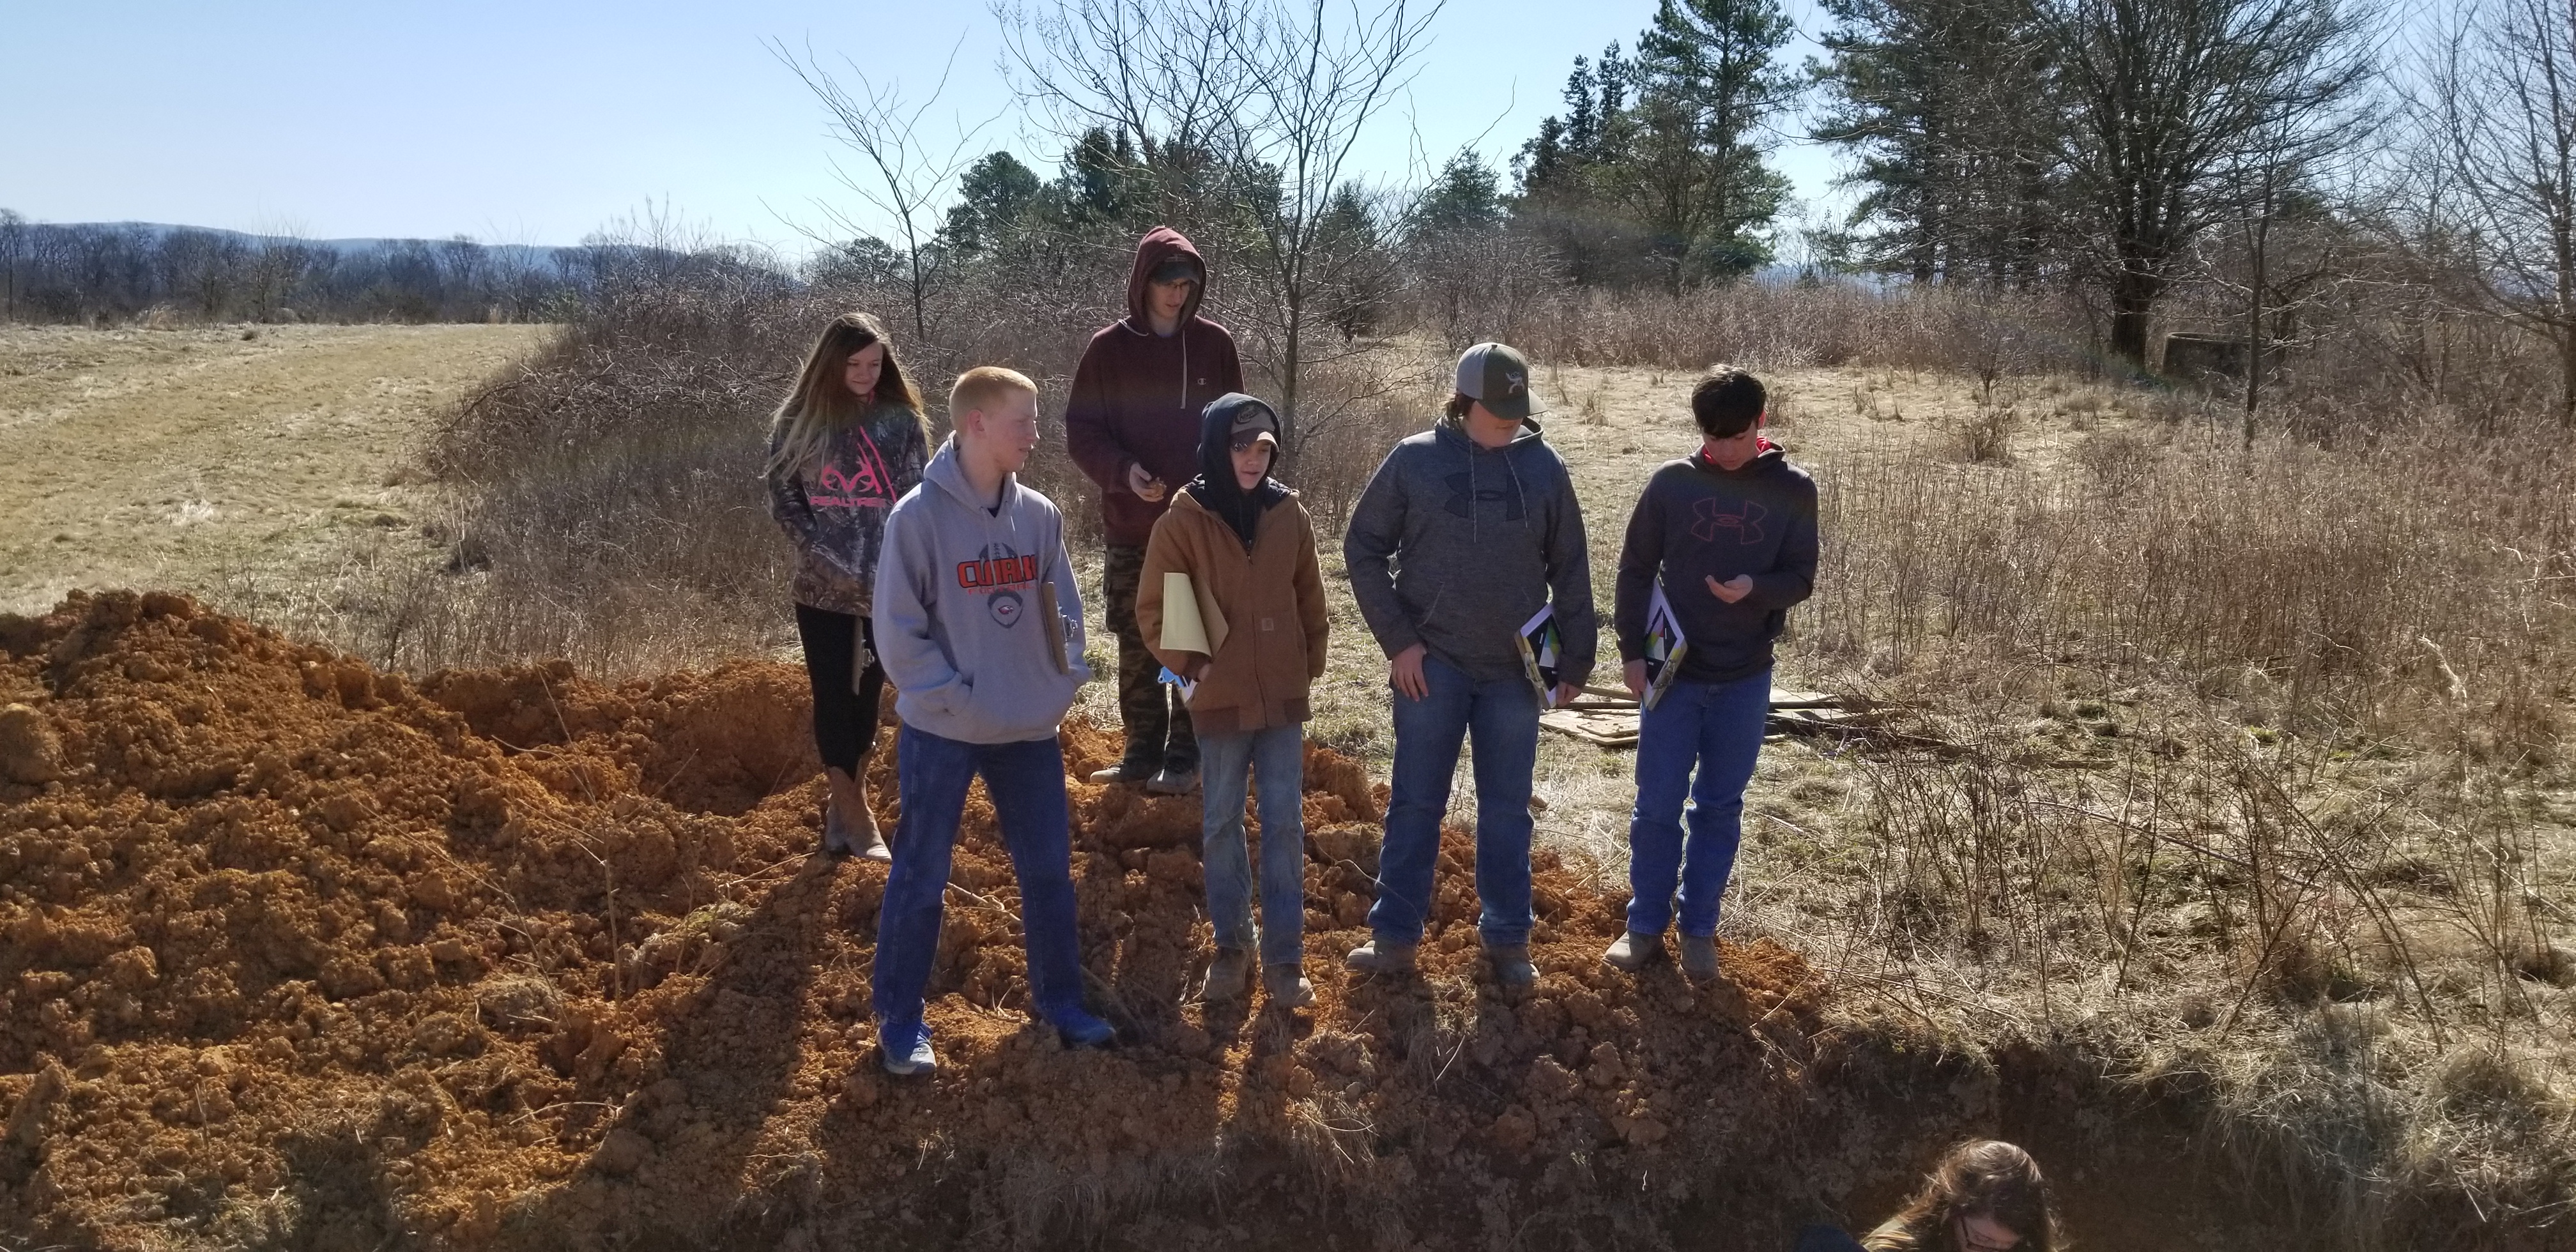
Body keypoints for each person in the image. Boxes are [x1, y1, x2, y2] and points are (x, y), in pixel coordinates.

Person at [868, 366, 1115, 1075]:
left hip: (1028, 733)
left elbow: (1063, 613)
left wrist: (1061, 683)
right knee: (921, 873)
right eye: (1024, 422)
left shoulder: (1039, 516)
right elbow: (898, 632)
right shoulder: (916, 518)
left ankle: (1062, 1004)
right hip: (943, 731)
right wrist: (956, 696)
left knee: (1047, 874)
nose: (1036, 435)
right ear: (976, 423)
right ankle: (900, 1022)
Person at [1342, 342, 1597, 991]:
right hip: (1435, 665)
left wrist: (1576, 656)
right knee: (1415, 803)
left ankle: (1508, 938)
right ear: (1463, 401)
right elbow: (1363, 546)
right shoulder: (1415, 461)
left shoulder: (1546, 469)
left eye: (1517, 408)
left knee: (1508, 810)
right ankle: (1395, 937)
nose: (1510, 420)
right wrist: (1399, 641)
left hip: (1515, 671)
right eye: (1497, 409)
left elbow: (1570, 567)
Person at [1602, 366, 1818, 981]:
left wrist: (1755, 588)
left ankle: (1700, 929)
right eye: (1711, 437)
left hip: (1746, 675)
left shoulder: (1794, 489)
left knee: (1719, 806)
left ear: (1762, 421)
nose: (1721, 449)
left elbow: (1801, 577)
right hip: (1673, 676)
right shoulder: (1672, 483)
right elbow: (1635, 570)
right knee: (1655, 804)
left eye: (1734, 436)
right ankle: (1644, 925)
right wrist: (1631, 653)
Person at [1137, 393, 1330, 1009]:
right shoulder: (1183, 521)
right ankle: (1231, 947)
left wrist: (1305, 667)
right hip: (1218, 702)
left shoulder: (1288, 515)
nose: (1253, 459)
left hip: (1281, 701)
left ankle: (1285, 959)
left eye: (1265, 449)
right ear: (1219, 446)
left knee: (1284, 827)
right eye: (1242, 446)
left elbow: (1311, 600)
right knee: (1221, 824)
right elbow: (1156, 610)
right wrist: (1194, 672)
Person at [1065, 227, 1246, 797]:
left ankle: (1186, 755)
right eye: (1167, 281)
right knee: (1137, 639)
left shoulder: (1215, 345)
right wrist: (1124, 473)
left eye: (1187, 282)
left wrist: (1222, 491)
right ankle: (1140, 753)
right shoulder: (1108, 349)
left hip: (1198, 526)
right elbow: (1081, 430)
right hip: (1131, 524)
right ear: (1143, 282)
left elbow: (1238, 426)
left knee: (1189, 636)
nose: (1177, 293)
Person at [765, 312, 931, 862]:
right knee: (833, 693)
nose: (863, 373)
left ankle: (845, 810)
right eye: (853, 364)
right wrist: (822, 553)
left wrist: (905, 567)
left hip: (887, 587)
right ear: (831, 363)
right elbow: (785, 502)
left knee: (870, 697)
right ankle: (859, 822)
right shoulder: (799, 421)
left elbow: (916, 502)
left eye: (873, 364)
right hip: (821, 590)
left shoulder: (901, 422)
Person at [1860, 1140, 2064, 1251]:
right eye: (1981, 1242)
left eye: (2008, 1247)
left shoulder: (2030, 1247)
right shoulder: (1891, 1249)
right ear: (1952, 1209)